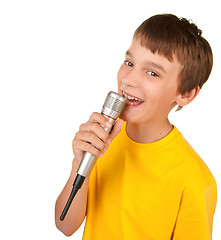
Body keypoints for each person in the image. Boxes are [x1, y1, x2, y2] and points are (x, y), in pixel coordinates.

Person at [55, 14, 217, 239]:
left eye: (152, 73)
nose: (129, 79)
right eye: (129, 63)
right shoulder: (103, 141)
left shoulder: (194, 180)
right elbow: (65, 225)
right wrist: (79, 163)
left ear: (186, 93)